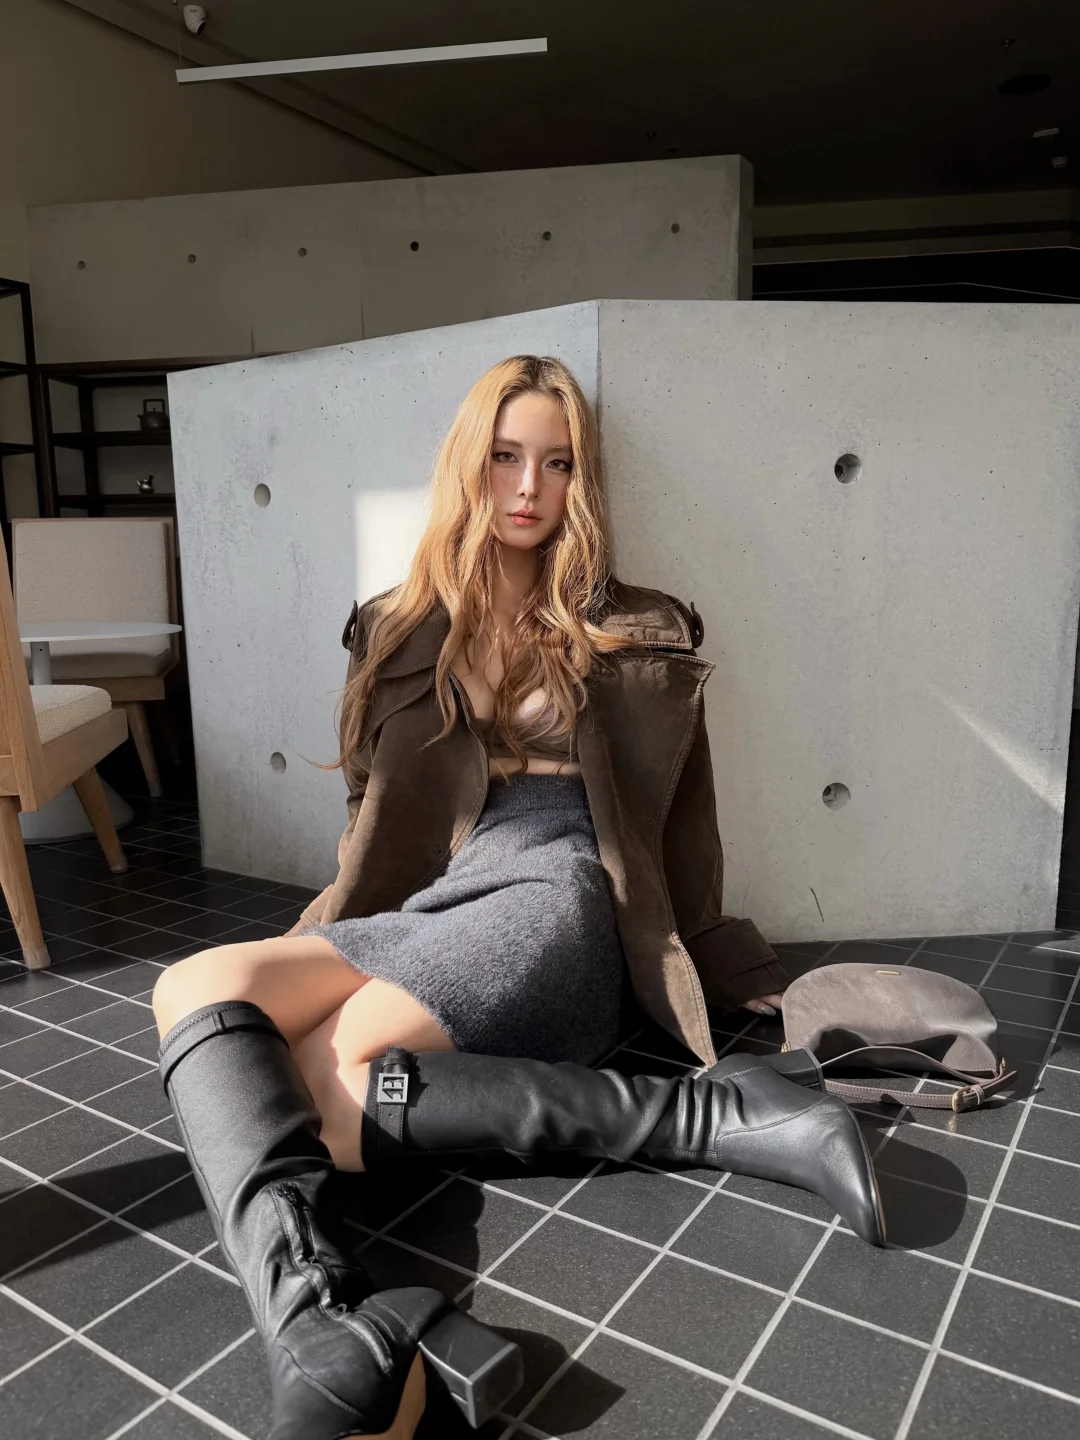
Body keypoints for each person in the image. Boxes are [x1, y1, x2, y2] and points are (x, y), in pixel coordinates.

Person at [152, 356, 885, 1440]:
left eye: (557, 461)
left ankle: (699, 1119)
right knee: (196, 988)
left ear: (582, 478)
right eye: (505, 457)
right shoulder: (395, 623)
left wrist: (726, 961)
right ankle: (326, 1326)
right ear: (469, 464)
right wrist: (330, 933)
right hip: (445, 888)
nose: (529, 486)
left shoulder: (641, 628)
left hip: (566, 888)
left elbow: (684, 822)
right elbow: (370, 812)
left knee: (328, 1089)